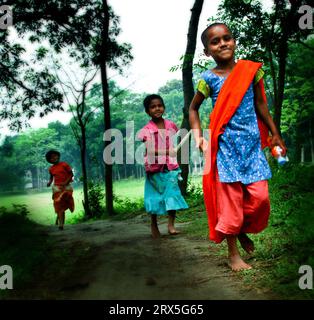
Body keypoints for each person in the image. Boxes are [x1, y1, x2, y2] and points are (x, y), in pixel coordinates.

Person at [189, 23, 286, 271]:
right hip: (226, 150)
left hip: (252, 148)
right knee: (230, 205)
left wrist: (275, 134)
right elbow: (193, 109)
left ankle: (242, 229)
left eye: (227, 38)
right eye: (215, 41)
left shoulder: (250, 71)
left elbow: (261, 105)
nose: (222, 43)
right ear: (207, 51)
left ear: (234, 41)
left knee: (260, 198)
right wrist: (198, 136)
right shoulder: (208, 78)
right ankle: (233, 255)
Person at [138, 94, 189, 238]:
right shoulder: (146, 130)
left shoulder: (170, 125)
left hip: (170, 167)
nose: (157, 108)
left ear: (164, 108)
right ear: (148, 111)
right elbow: (151, 150)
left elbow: (177, 135)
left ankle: (171, 225)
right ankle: (154, 224)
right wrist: (169, 151)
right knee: (155, 198)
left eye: (159, 105)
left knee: (172, 194)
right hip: (154, 169)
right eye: (153, 107)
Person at [46, 150, 75, 230]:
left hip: (66, 187)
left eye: (55, 155)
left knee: (65, 200)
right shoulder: (51, 169)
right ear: (49, 160)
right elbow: (51, 178)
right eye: (52, 157)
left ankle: (67, 206)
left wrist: (65, 183)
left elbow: (71, 174)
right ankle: (61, 225)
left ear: (58, 156)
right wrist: (49, 182)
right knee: (59, 206)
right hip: (57, 188)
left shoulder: (64, 165)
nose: (54, 158)